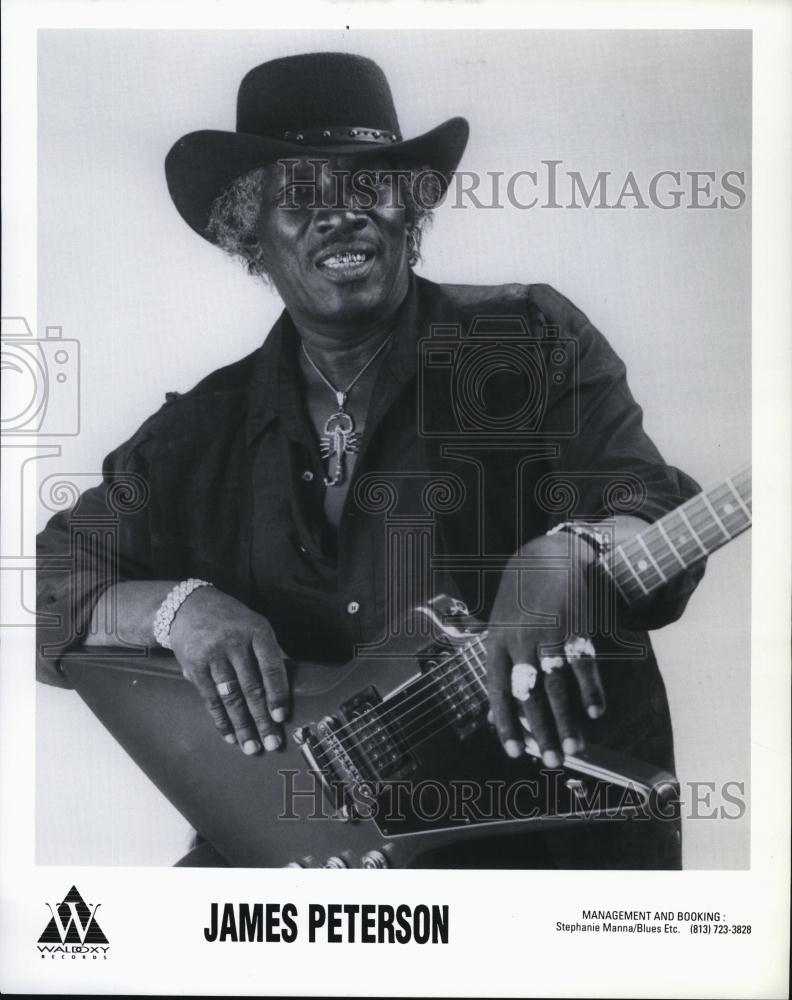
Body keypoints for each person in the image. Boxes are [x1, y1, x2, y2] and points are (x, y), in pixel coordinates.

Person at [36, 51, 705, 868]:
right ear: (254, 230)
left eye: (368, 185)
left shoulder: (527, 344)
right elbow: (42, 588)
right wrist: (177, 610)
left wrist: (578, 547)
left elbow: (654, 511)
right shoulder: (199, 435)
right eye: (301, 196)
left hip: (545, 861)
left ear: (408, 210)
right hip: (291, 873)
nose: (340, 215)